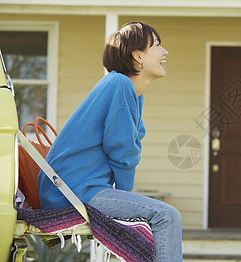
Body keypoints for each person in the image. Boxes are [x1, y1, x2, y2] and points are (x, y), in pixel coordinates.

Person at [37, 21, 182, 262]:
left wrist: (126, 199)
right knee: (166, 216)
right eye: (157, 45)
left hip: (82, 188)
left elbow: (131, 141)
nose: (165, 52)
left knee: (162, 214)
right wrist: (126, 196)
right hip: (71, 192)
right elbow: (123, 150)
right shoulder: (120, 84)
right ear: (138, 56)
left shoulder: (132, 92)